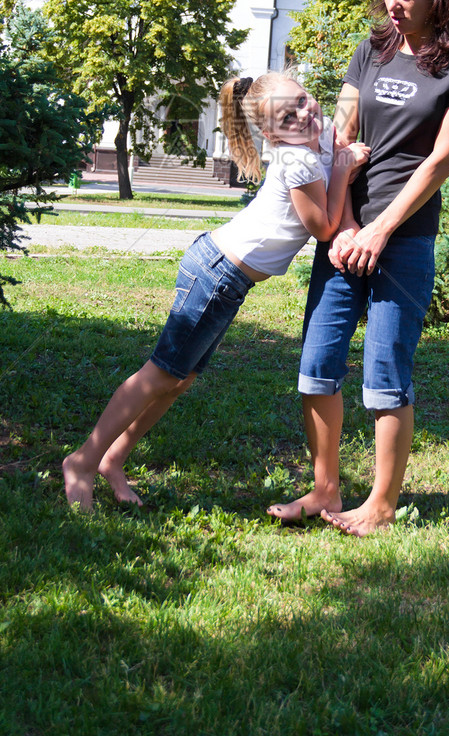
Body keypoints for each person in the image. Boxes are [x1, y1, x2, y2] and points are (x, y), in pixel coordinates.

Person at [62, 71, 369, 510]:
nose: (305, 113)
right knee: (161, 373)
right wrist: (342, 171)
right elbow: (322, 228)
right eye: (289, 115)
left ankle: (113, 459)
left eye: (303, 100)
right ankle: (83, 460)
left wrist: (345, 130)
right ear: (270, 134)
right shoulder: (294, 160)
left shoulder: (317, 139)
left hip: (227, 277)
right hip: (217, 272)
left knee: (178, 379)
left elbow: (347, 114)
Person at [268, 0, 449, 536]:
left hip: (405, 239)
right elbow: (340, 139)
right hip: (344, 235)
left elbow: (440, 162)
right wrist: (344, 227)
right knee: (316, 366)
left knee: (385, 373)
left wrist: (380, 231)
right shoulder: (370, 52)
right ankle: (324, 490)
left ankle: (382, 505)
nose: (393, 4)